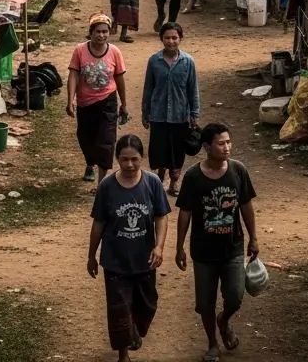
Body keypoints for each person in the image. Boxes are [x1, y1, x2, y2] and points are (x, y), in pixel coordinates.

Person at [175, 123, 259, 362]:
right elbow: (185, 213)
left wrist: (253, 238)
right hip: (202, 251)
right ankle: (212, 343)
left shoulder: (238, 171)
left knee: (235, 295)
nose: (227, 147)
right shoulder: (193, 177)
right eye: (221, 143)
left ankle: (224, 320)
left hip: (233, 248)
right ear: (207, 147)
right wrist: (179, 246)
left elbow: (245, 205)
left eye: (229, 142)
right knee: (205, 303)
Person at [88, 133, 169, 362]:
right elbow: (99, 222)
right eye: (124, 159)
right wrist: (91, 255)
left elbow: (161, 216)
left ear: (141, 158)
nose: (130, 164)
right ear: (117, 159)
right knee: (118, 310)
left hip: (144, 260)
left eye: (134, 159)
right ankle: (123, 355)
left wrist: (159, 247)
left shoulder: (152, 183)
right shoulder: (107, 186)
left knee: (147, 305)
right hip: (115, 261)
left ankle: (136, 328)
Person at [67, 14, 129, 185]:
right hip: (85, 102)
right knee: (85, 137)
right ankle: (89, 163)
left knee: (106, 140)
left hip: (107, 100)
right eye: (98, 32)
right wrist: (70, 100)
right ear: (91, 32)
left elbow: (119, 78)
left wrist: (124, 104)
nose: (101, 35)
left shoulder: (115, 52)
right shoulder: (80, 50)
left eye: (105, 32)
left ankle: (102, 182)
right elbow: (73, 75)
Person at [142, 23, 200, 194]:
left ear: (180, 39)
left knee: (177, 151)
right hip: (158, 115)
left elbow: (192, 89)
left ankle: (174, 182)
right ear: (161, 39)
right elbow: (148, 88)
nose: (171, 41)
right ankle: (159, 178)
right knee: (159, 150)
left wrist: (194, 113)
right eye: (167, 37)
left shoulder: (188, 62)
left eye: (174, 37)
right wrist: (145, 112)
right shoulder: (154, 61)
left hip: (180, 115)